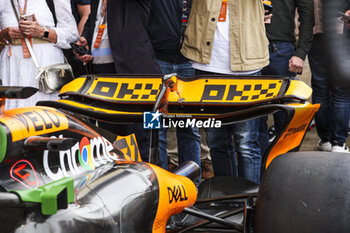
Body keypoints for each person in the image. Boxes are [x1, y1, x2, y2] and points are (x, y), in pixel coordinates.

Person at [181, 0, 270, 184]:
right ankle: (227, 201)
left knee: (246, 142)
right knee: (216, 141)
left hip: (247, 65)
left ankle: (249, 202)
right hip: (207, 63)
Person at [75, 0, 161, 160]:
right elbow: (94, 19)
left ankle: (153, 181)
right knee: (112, 139)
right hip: (101, 72)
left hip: (133, 74)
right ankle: (122, 179)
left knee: (143, 138)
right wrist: (85, 40)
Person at [148, 0, 201, 173]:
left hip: (190, 61)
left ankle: (192, 183)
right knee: (155, 126)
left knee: (190, 127)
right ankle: (160, 182)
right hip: (157, 60)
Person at [0, 0, 79, 109]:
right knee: (14, 118)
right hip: (13, 67)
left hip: (46, 66)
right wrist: (2, 36)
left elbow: (71, 35)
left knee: (46, 115)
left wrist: (42, 32)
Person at [261, 0, 314, 148]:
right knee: (252, 119)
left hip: (279, 47)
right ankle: (259, 169)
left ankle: (283, 166)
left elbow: (307, 14)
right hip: (247, 47)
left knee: (284, 119)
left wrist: (301, 52)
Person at [309, 0, 350, 152]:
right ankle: (338, 143)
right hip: (341, 32)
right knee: (341, 92)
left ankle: (325, 139)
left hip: (314, 32)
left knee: (320, 89)